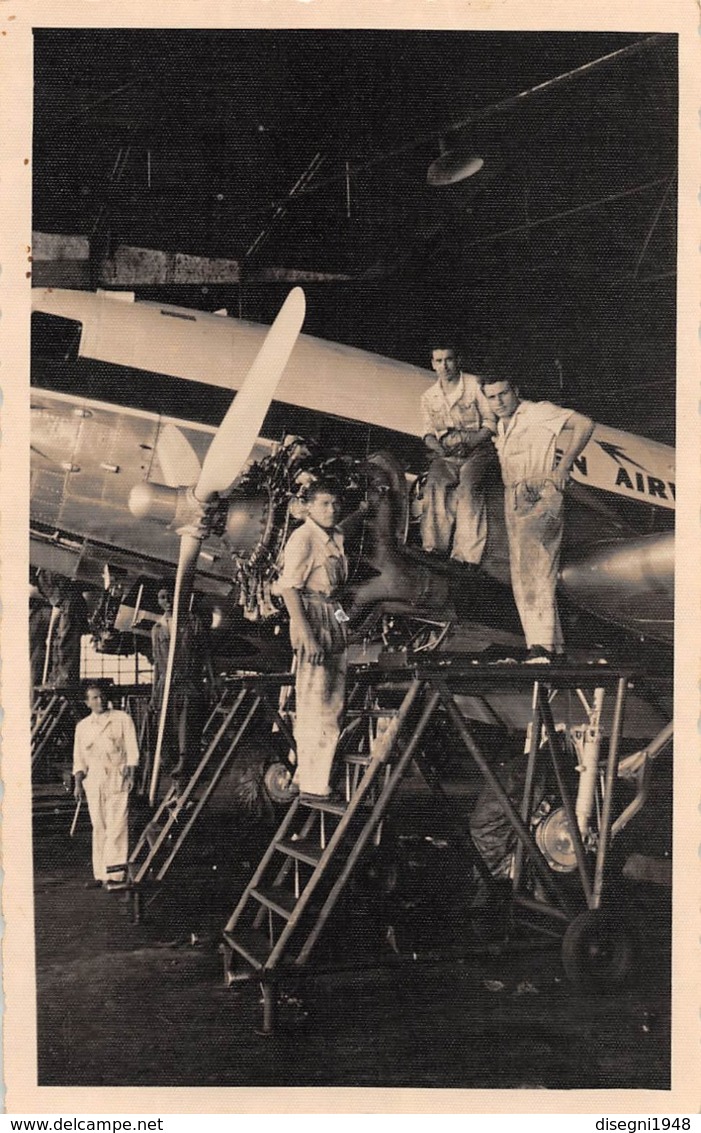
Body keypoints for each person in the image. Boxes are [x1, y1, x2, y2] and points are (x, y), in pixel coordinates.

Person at [482, 375, 595, 662]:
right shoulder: (501, 425)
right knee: (522, 573)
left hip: (537, 489)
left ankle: (542, 646)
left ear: (515, 390)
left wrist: (563, 466)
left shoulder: (537, 411)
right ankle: (547, 647)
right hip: (514, 494)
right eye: (492, 397)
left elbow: (585, 424)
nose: (499, 402)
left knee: (538, 564)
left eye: (504, 394)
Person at [275, 481, 348, 801]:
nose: (331, 510)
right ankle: (314, 783)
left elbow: (335, 594)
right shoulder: (302, 539)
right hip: (311, 620)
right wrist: (309, 638)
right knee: (315, 703)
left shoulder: (336, 537)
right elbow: (290, 590)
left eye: (334, 503)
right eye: (324, 504)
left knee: (333, 704)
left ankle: (311, 774)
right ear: (309, 507)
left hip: (332, 616)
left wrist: (348, 626)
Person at [420, 339, 497, 566]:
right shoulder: (428, 396)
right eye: (439, 361)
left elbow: (491, 422)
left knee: (469, 487)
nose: (445, 366)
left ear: (458, 361)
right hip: (447, 452)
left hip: (478, 449)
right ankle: (433, 548)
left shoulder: (475, 385)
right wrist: (438, 447)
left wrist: (472, 442)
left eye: (449, 360)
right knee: (435, 483)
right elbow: (427, 431)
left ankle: (465, 556)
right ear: (433, 364)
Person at [73, 683, 140, 889]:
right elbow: (79, 759)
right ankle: (100, 874)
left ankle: (115, 876)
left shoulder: (121, 719)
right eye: (93, 698)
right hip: (94, 780)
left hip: (117, 777)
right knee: (99, 827)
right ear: (87, 703)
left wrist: (130, 776)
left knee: (117, 827)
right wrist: (77, 784)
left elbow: (132, 751)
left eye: (101, 697)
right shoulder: (82, 726)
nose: (99, 701)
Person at [150, 581, 215, 786]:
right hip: (165, 686)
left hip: (188, 682)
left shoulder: (192, 623)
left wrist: (212, 682)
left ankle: (186, 765)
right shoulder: (157, 629)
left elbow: (206, 655)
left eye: (170, 596)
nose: (167, 601)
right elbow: (157, 666)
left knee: (187, 725)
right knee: (167, 726)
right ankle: (172, 767)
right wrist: (154, 695)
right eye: (162, 597)